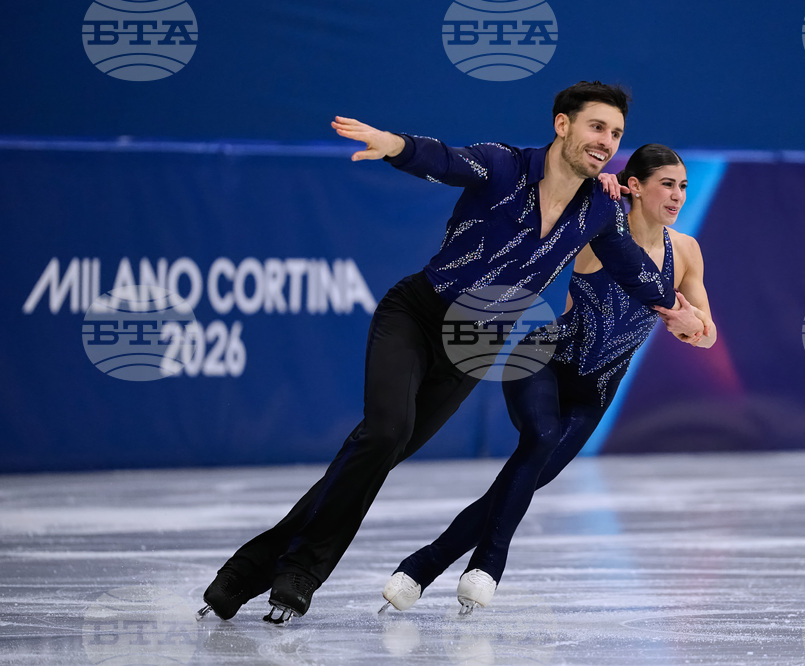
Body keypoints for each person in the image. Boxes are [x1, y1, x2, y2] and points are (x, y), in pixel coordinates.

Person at [198, 83, 705, 623]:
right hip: (417, 315)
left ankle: (248, 571)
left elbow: (634, 269)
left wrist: (679, 310)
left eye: (616, 133)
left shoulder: (596, 213)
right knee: (384, 432)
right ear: (563, 125)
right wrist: (394, 144)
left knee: (376, 454)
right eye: (596, 127)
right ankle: (299, 572)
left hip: (474, 344)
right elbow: (445, 159)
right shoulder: (505, 167)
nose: (606, 141)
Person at [379, 144, 716, 614]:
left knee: (523, 480)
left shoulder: (685, 251)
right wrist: (595, 192)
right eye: (667, 184)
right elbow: (555, 213)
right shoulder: (598, 231)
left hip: (595, 390)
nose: (678, 195)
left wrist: (691, 327)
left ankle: (422, 565)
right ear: (634, 186)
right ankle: (488, 566)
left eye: (683, 186)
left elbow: (707, 333)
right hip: (543, 359)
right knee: (540, 437)